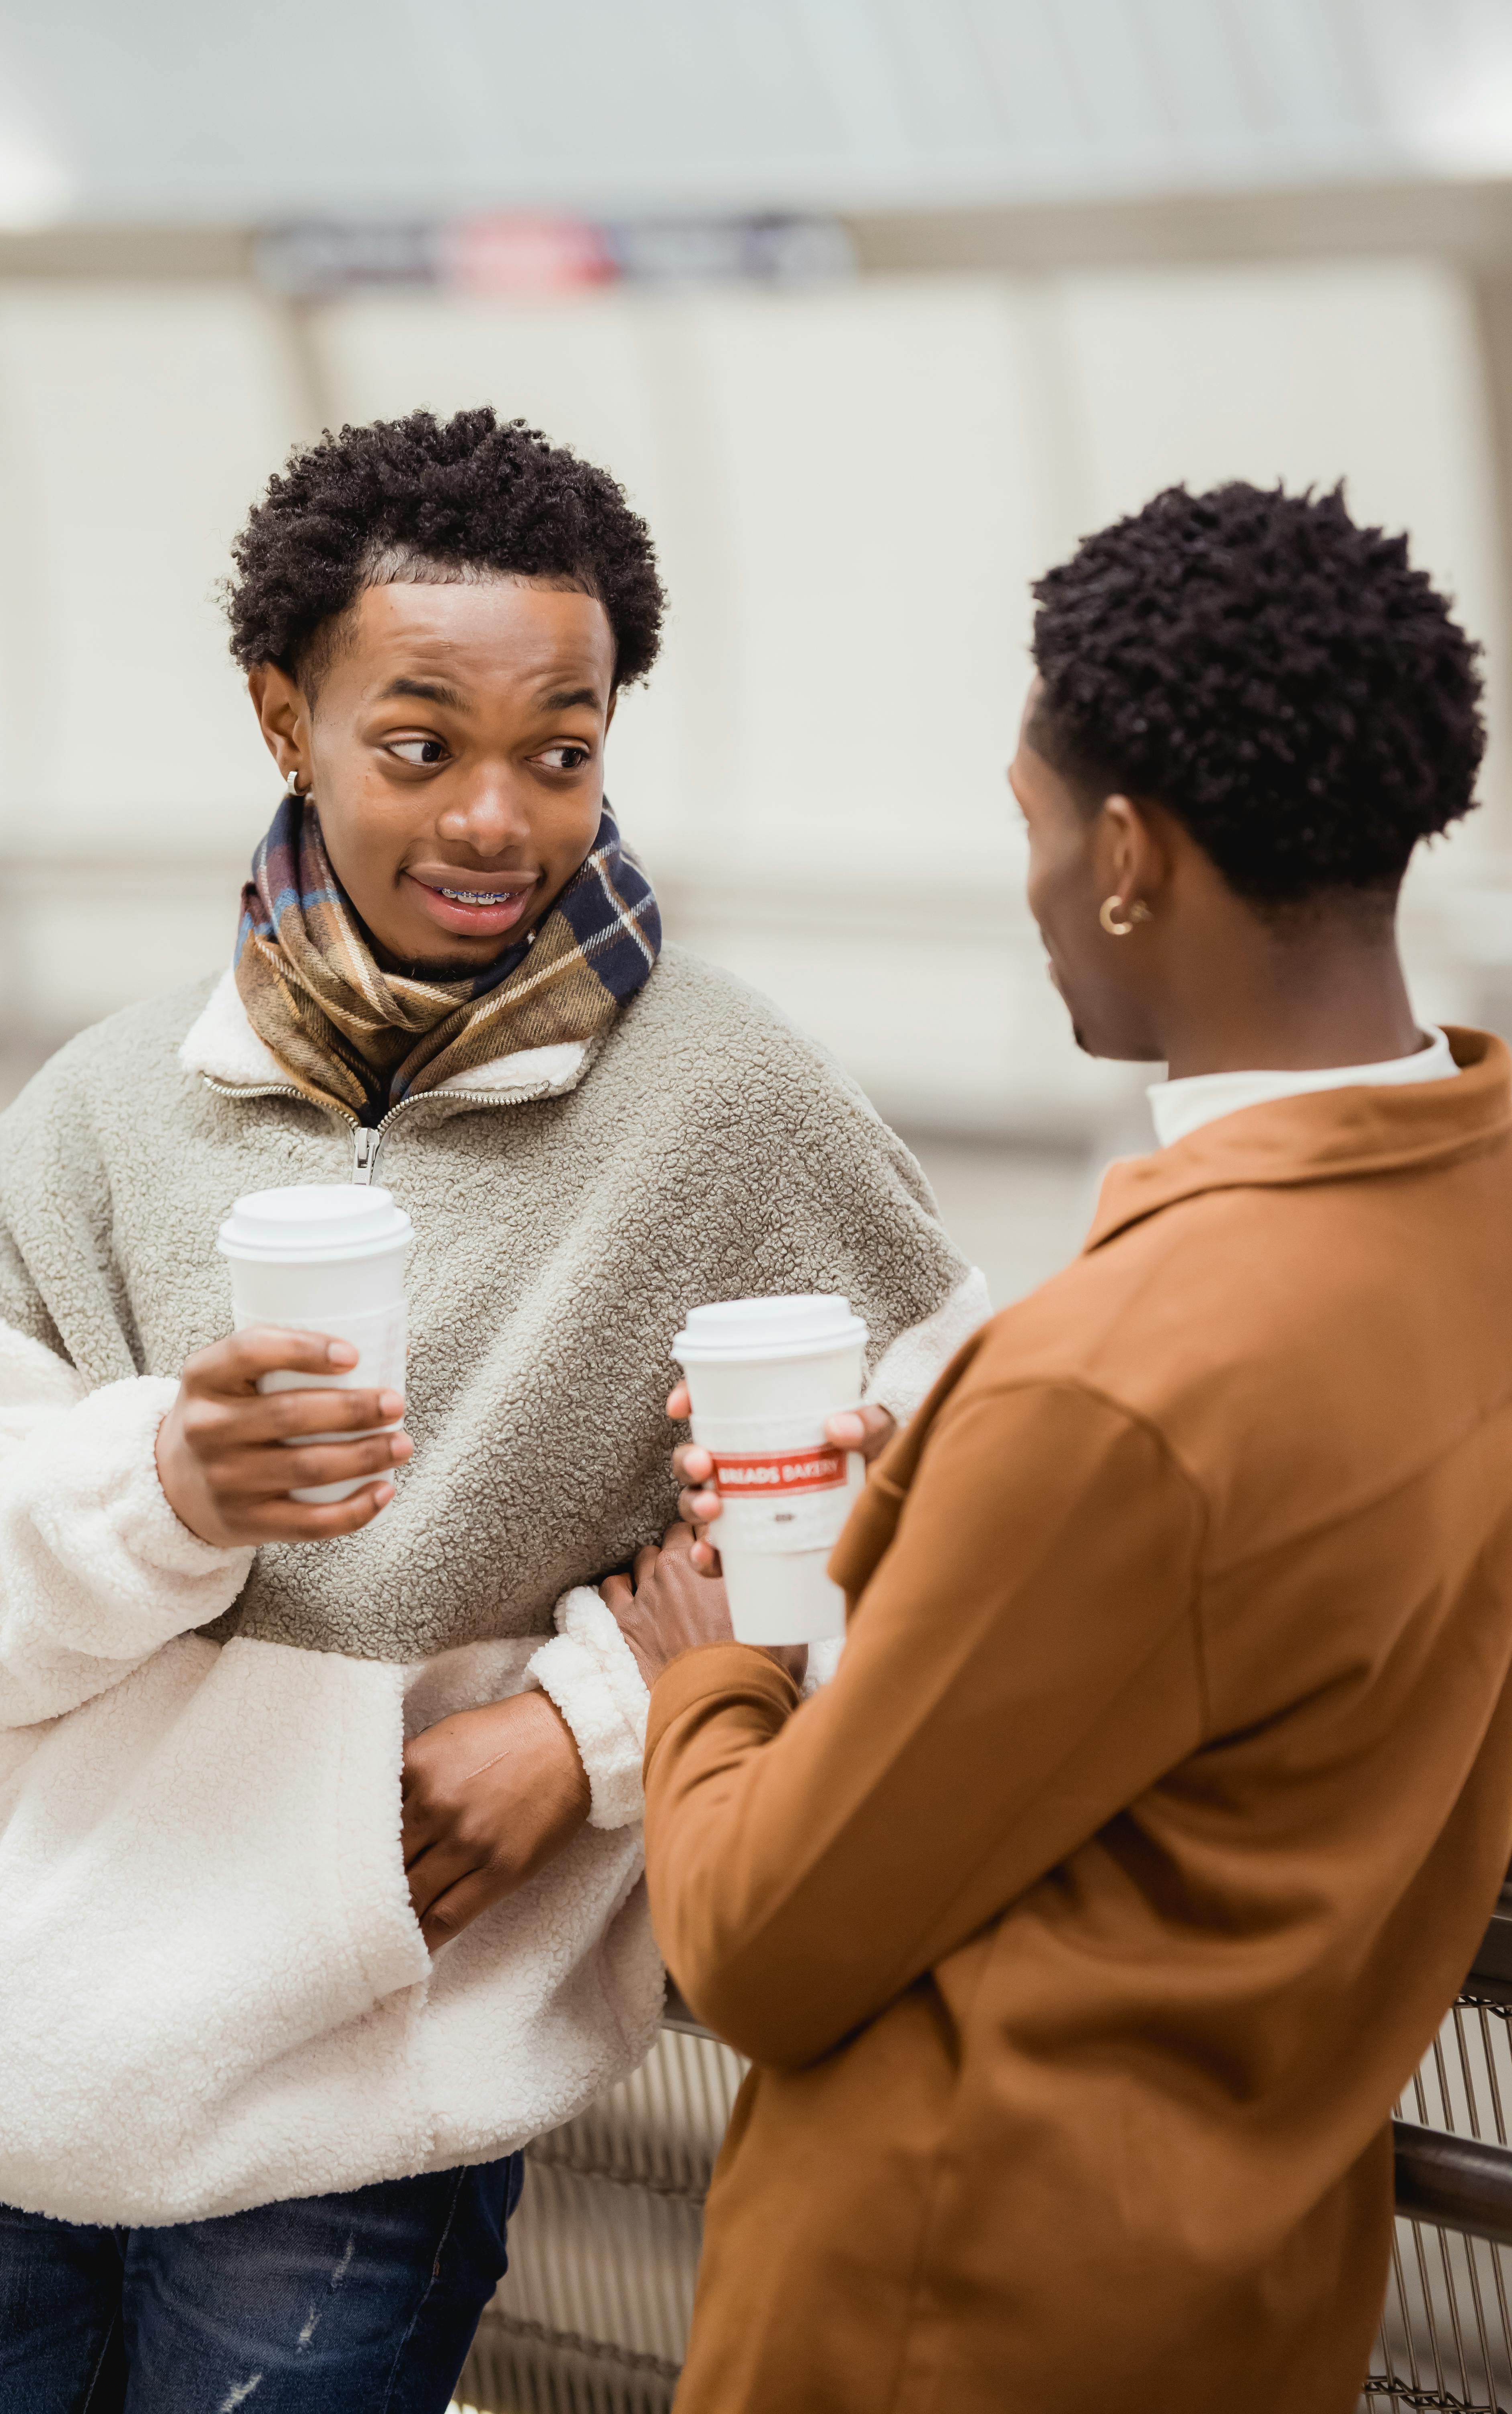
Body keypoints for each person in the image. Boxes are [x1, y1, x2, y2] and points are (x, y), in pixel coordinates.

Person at [0, 405, 983, 2409]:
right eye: (422, 747)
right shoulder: (97, 1116)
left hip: (353, 2118)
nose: (499, 818)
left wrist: (586, 1740)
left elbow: (938, 1495)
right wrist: (166, 1485)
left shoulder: (733, 1105)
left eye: (559, 753)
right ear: (282, 718)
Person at [605, 480, 1512, 2414]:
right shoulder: (1472, 1218)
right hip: (1251, 2301)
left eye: (1030, 826)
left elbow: (761, 1947)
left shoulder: (1114, 1380)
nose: (1025, 889)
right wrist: (932, 1519)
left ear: (1124, 855)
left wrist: (710, 1675)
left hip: (949, 2314)